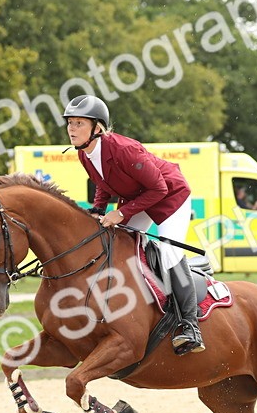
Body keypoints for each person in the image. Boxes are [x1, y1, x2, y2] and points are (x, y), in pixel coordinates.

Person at [64, 94, 205, 354]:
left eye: (78, 124)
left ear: (97, 128)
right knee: (120, 242)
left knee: (168, 252)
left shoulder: (124, 149)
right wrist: (98, 211)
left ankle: (190, 325)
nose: (72, 129)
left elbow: (159, 188)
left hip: (171, 196)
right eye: (70, 123)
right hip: (141, 199)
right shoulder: (85, 155)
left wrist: (121, 214)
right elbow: (103, 187)